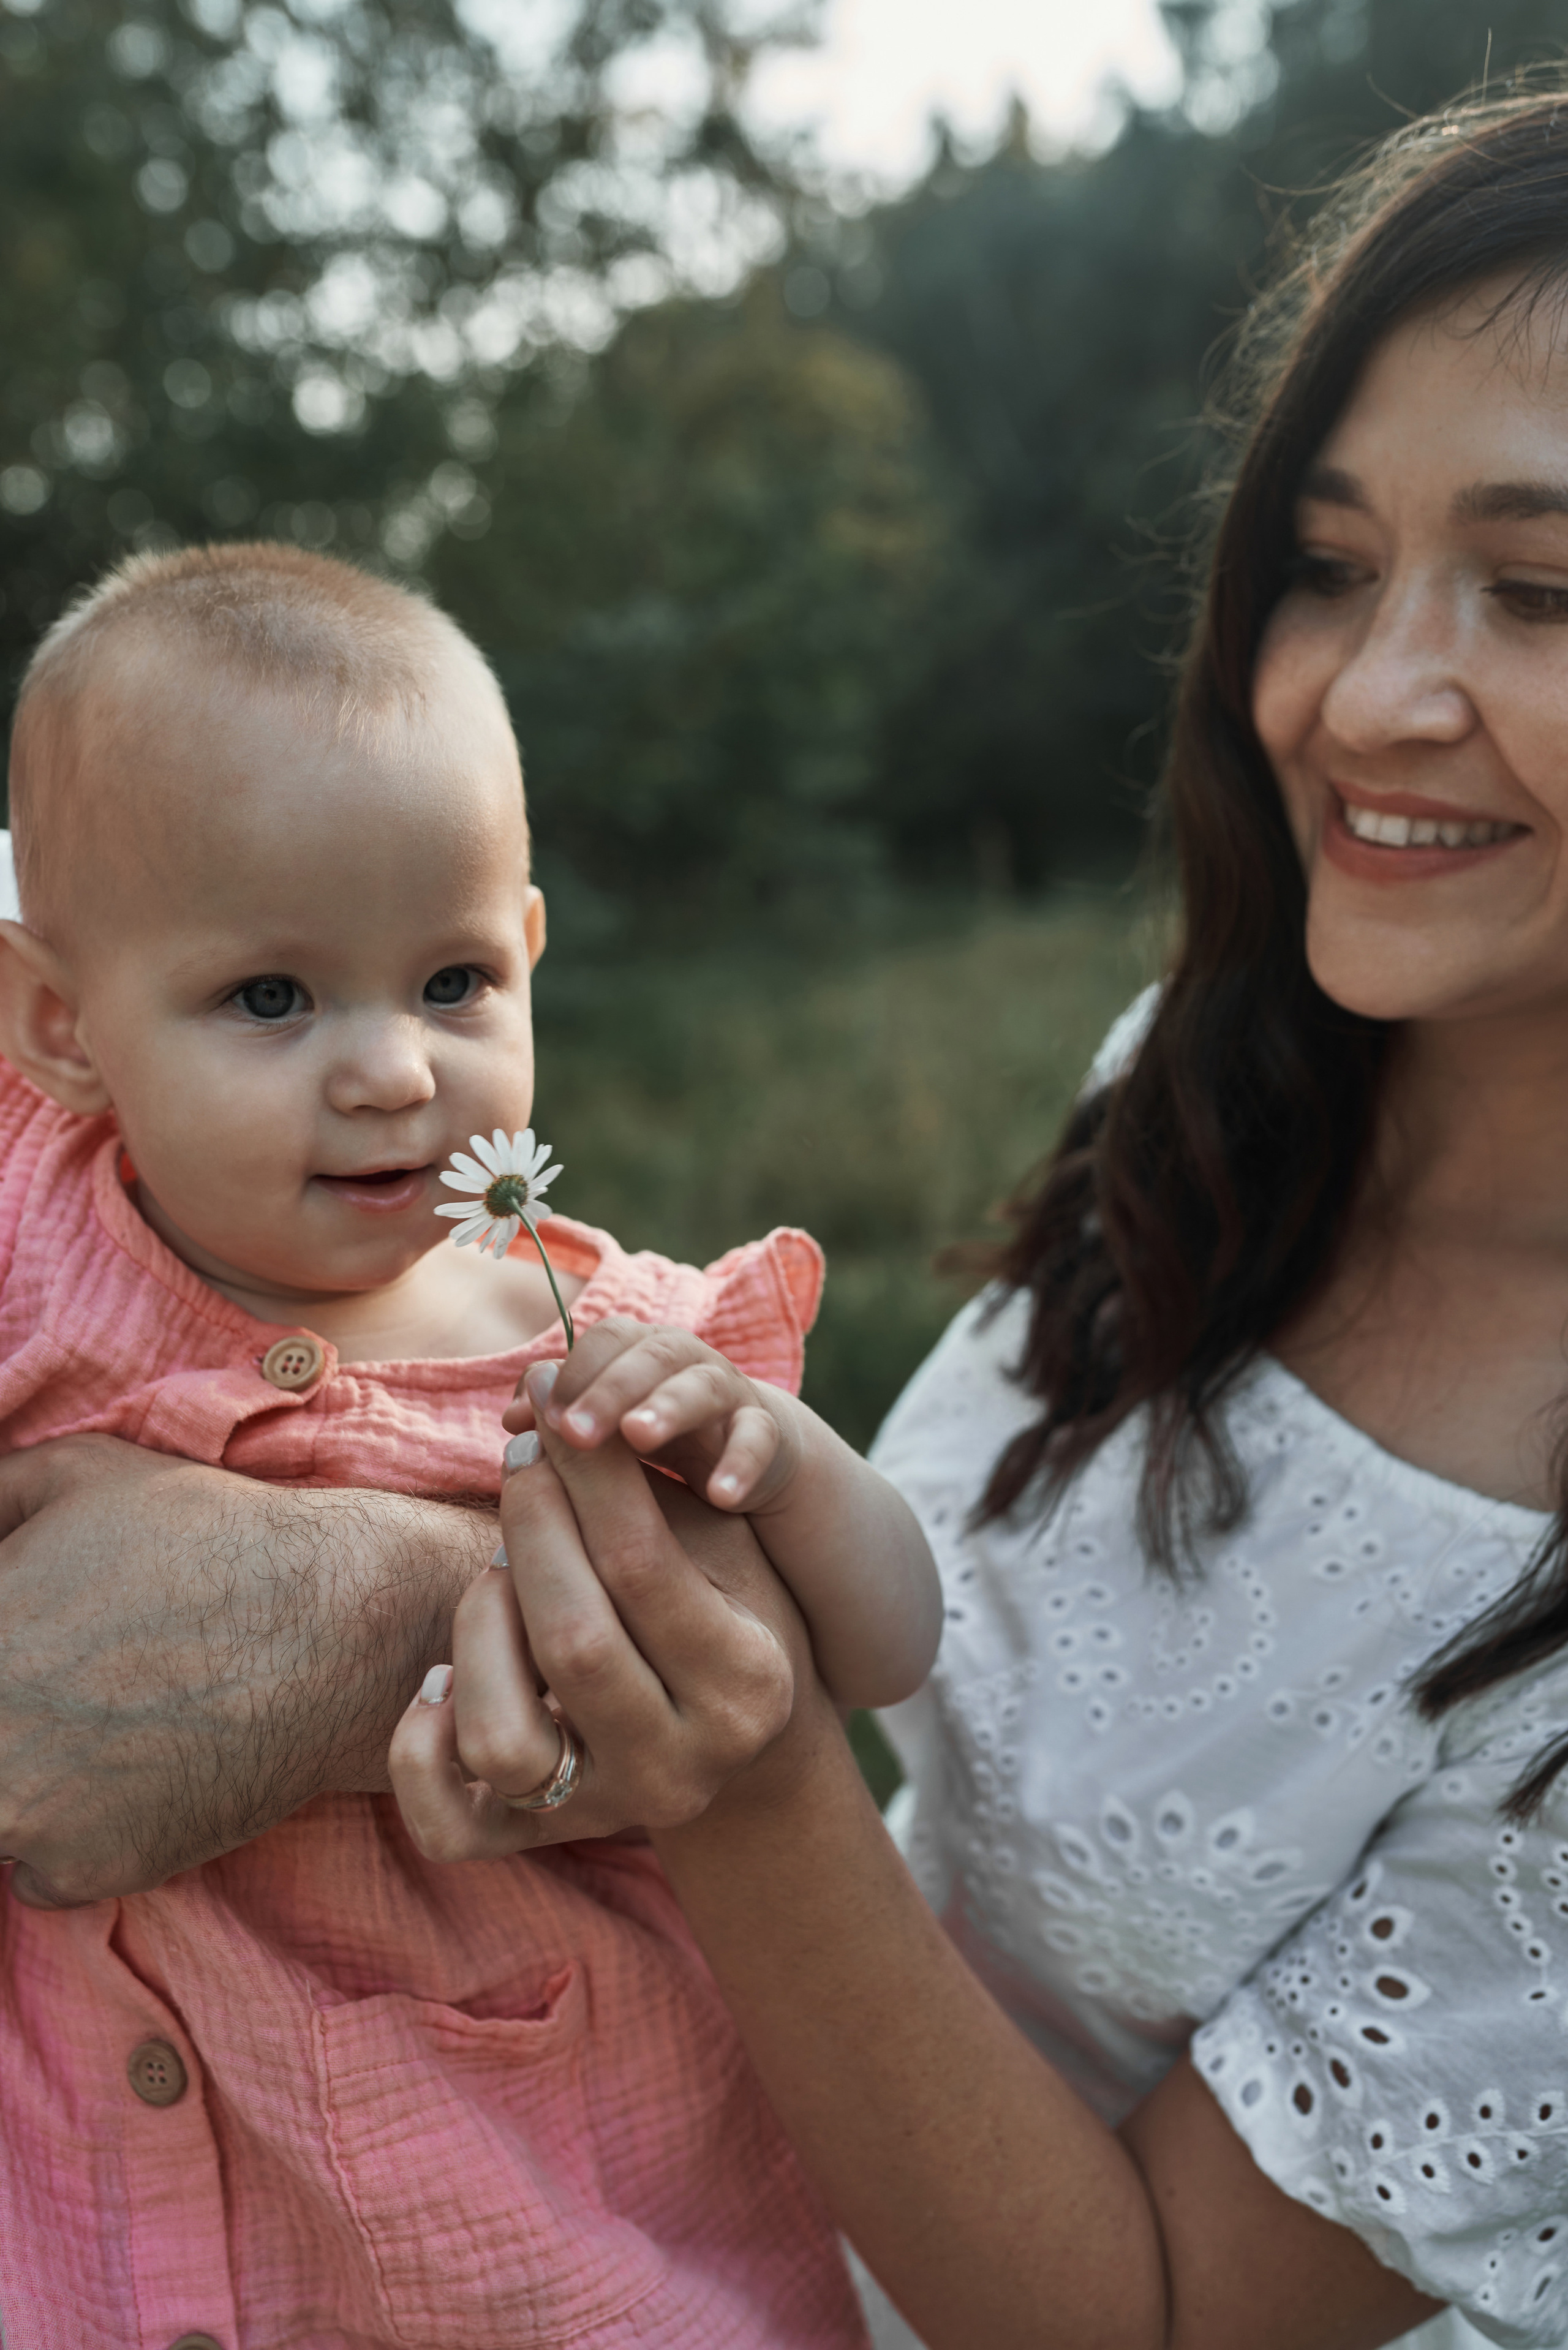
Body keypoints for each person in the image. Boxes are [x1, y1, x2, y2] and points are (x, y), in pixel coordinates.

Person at [391, 84, 1568, 2350]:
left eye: (1536, 593)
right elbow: (881, 1649)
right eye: (1326, 562)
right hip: (722, 2206)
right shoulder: (1200, 1081)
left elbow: (1139, 2322)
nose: (1359, 692)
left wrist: (737, 1793)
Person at [0, 538, 937, 2348]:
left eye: (451, 983)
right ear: (61, 1027)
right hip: (78, 2231)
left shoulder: (619, 1342)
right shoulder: (33, 1232)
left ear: (528, 949)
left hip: (517, 2224)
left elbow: (891, 1648)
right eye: (271, 998)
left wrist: (785, 1457)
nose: (392, 1074)